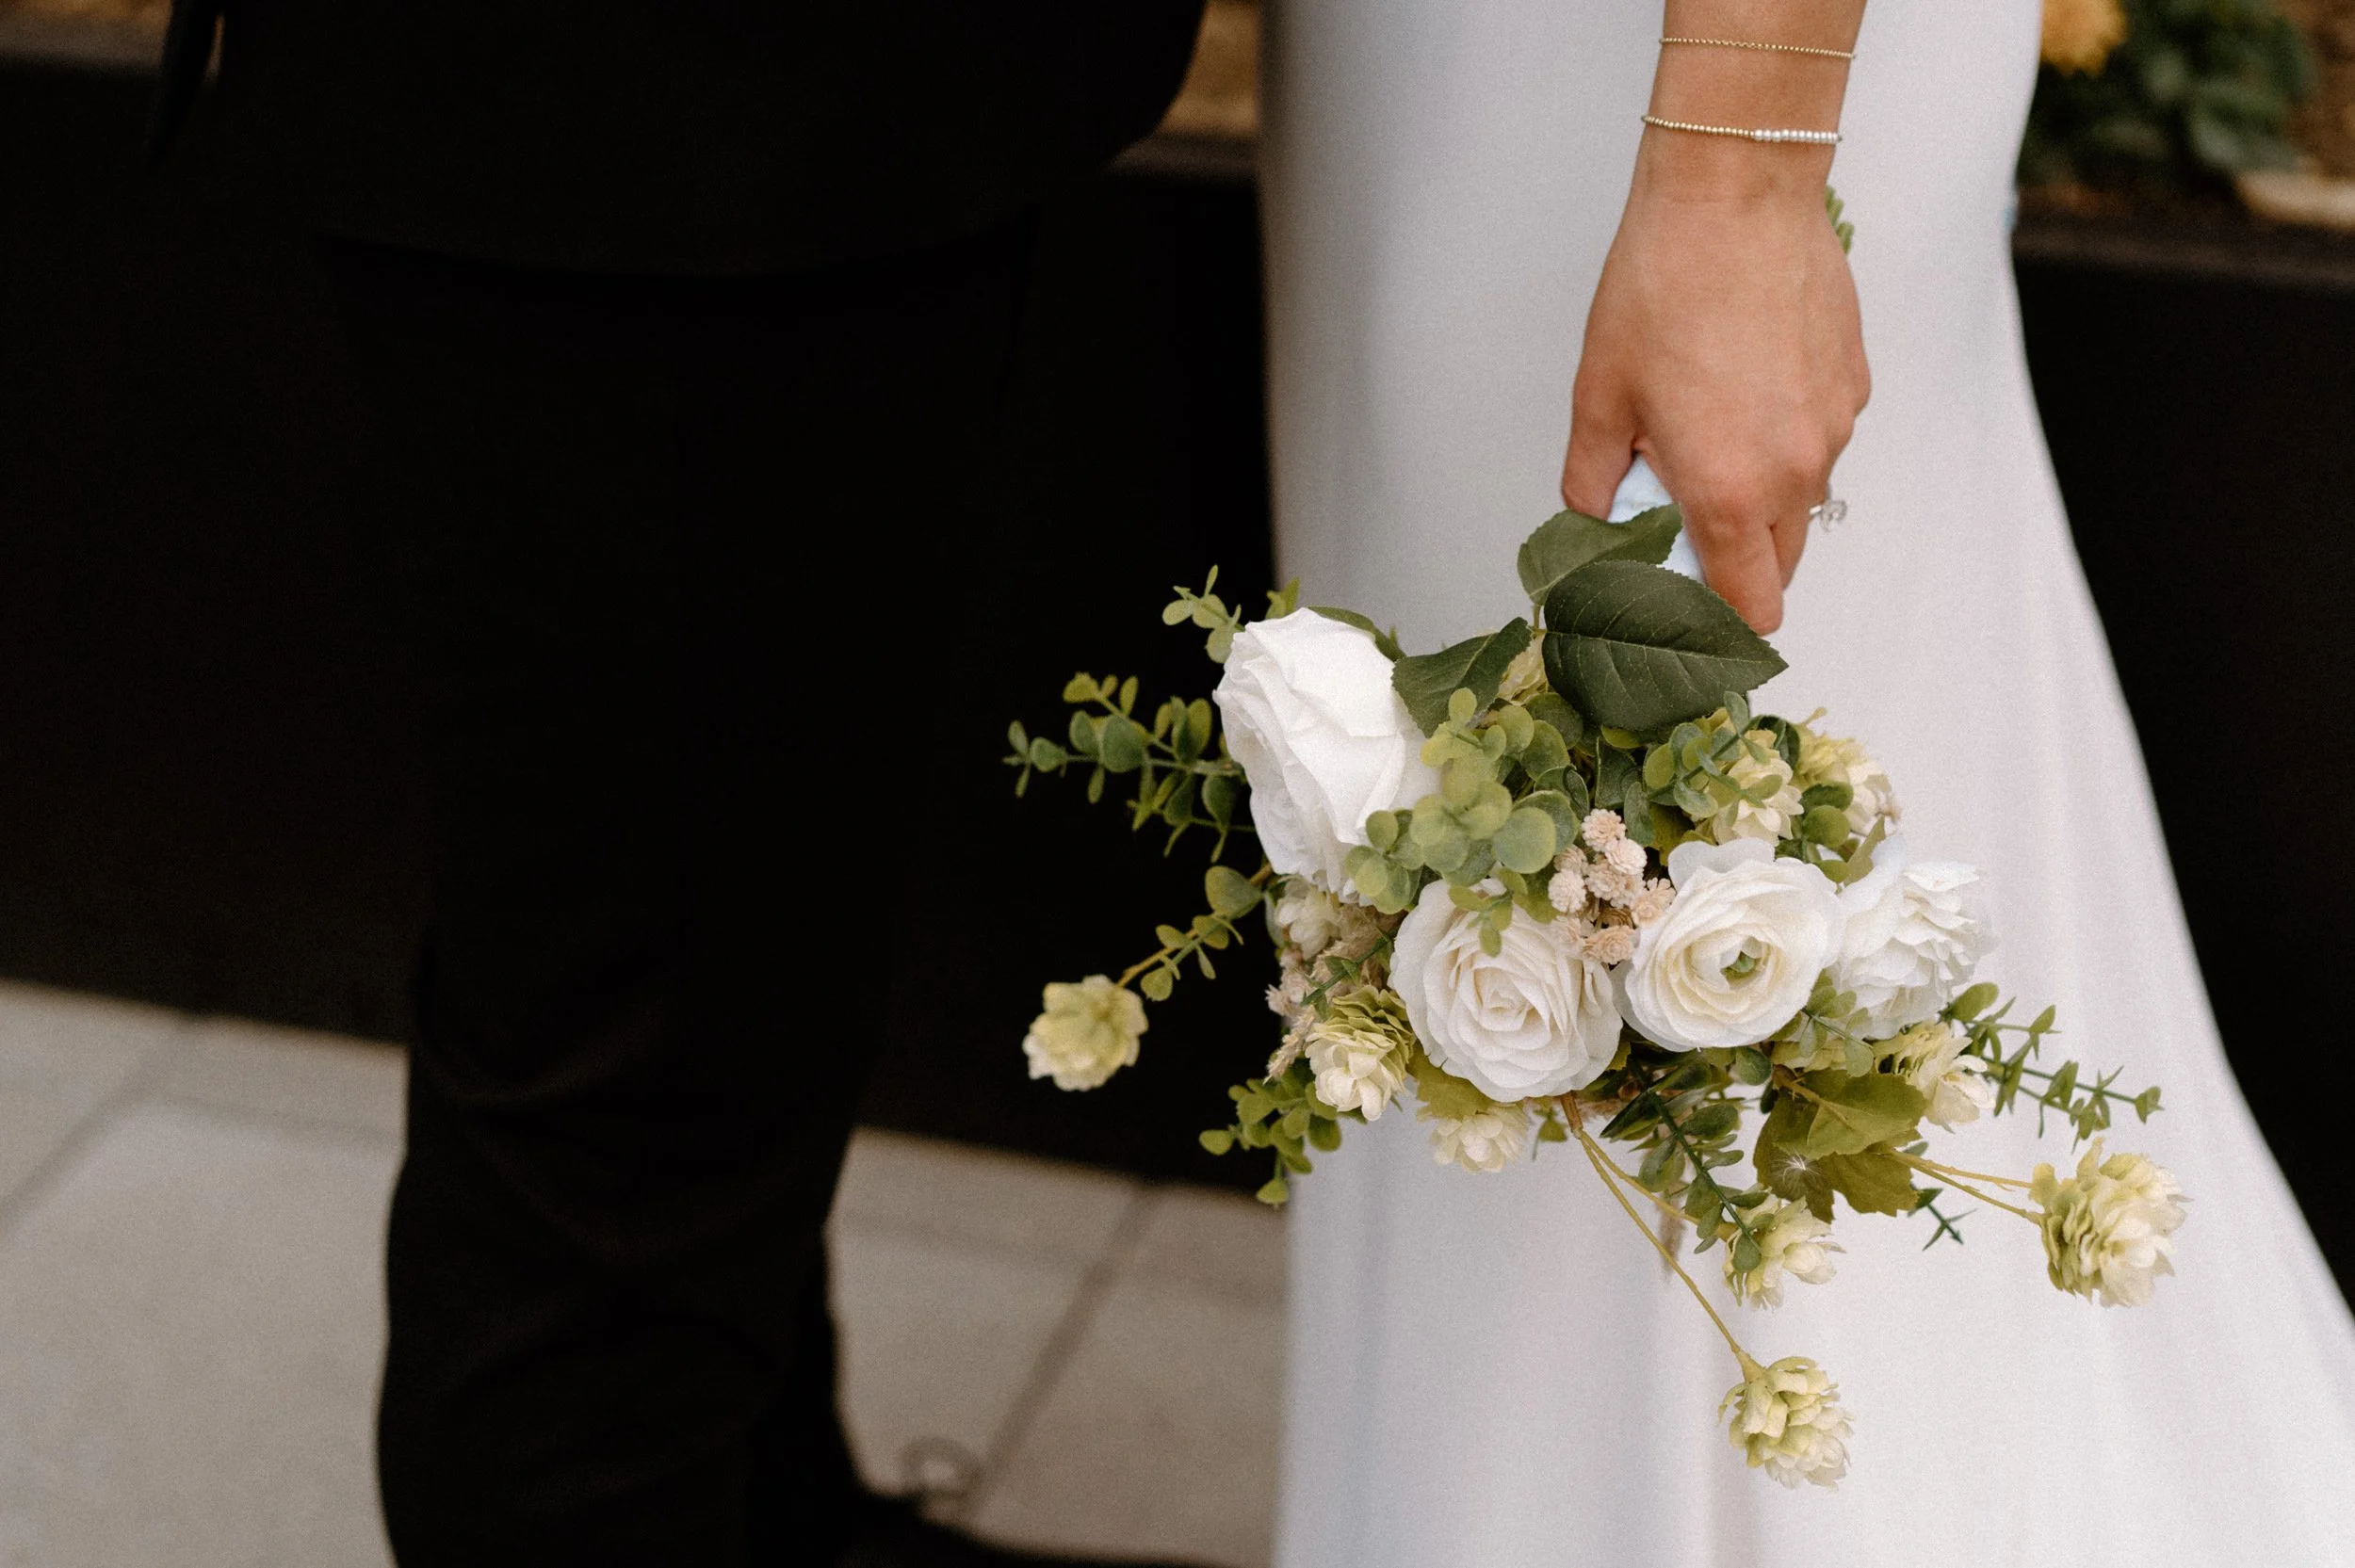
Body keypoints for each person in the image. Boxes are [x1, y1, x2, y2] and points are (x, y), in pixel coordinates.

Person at [1263, 0, 2355, 1562]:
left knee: (1734, 867)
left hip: (1691, 73)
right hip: (1434, 59)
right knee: (1437, 851)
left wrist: (1740, 168)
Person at [147, 4, 1211, 1564]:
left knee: (733, 965)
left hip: (764, 107)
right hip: (652, 102)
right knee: (625, 1085)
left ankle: (778, 1518)